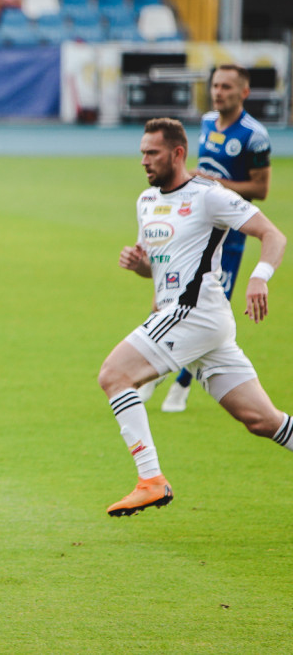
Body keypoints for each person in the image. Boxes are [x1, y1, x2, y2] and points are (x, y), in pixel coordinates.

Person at [97, 118, 289, 517]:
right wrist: (140, 266)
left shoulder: (208, 196)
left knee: (114, 375)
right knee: (261, 419)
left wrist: (259, 277)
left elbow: (273, 235)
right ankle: (150, 480)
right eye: (142, 154)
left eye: (152, 153)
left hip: (195, 312)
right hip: (195, 320)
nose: (144, 161)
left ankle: (150, 479)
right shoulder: (146, 201)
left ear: (177, 153)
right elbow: (162, 265)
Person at [154, 65, 273, 413]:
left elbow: (260, 189)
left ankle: (180, 386)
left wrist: (214, 184)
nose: (218, 92)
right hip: (194, 227)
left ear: (244, 92)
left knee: (206, 309)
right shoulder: (207, 122)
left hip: (230, 238)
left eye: (226, 87)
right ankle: (156, 369)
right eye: (215, 85)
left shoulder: (255, 135)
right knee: (169, 292)